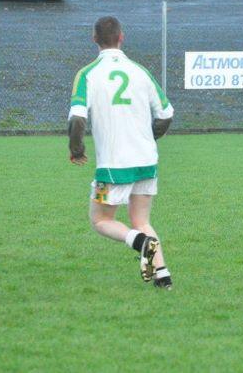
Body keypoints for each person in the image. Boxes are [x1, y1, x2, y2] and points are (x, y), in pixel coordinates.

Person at [68, 16, 175, 289]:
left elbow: (77, 118)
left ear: (94, 39)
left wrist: (76, 149)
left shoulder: (88, 74)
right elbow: (166, 114)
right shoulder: (141, 71)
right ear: (121, 37)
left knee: (100, 219)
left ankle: (140, 243)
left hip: (113, 166)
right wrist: (149, 138)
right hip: (146, 161)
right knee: (141, 220)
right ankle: (163, 276)